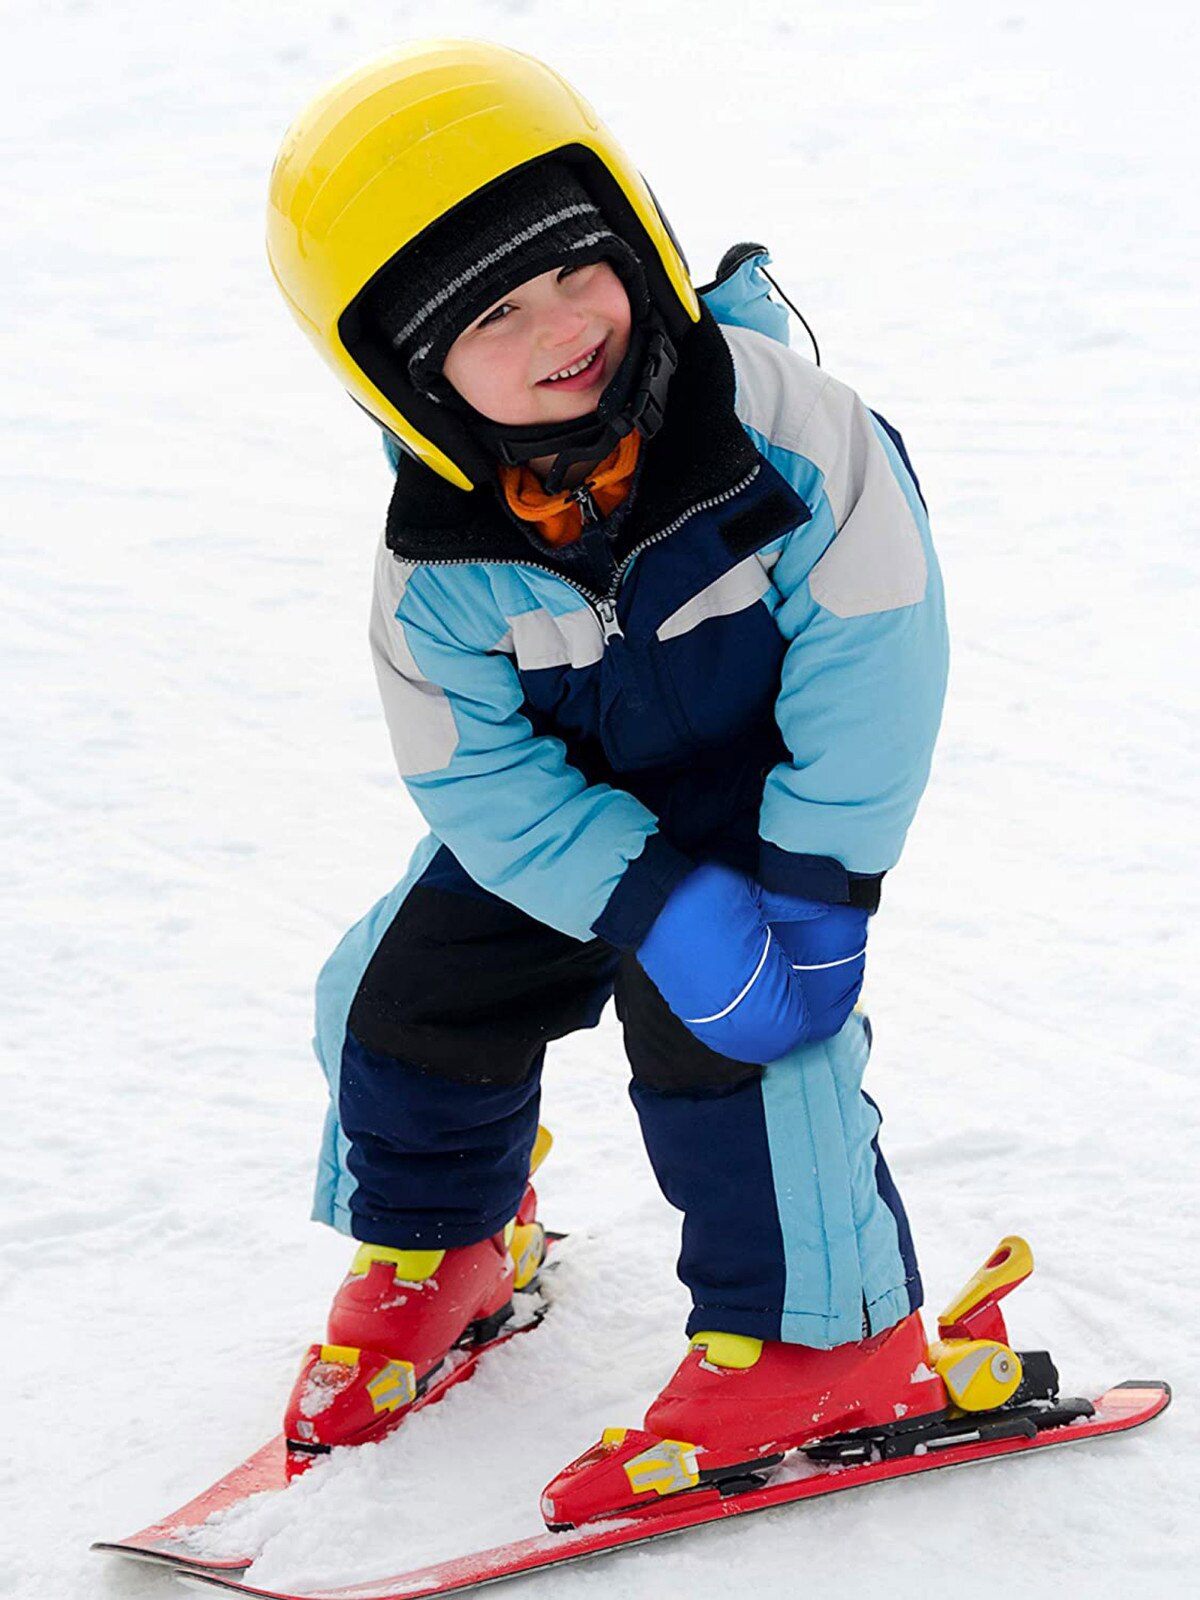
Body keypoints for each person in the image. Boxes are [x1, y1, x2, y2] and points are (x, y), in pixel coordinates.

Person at [266, 38, 949, 1502]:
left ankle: (828, 1338)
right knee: (393, 998)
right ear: (406, 376)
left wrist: (818, 882)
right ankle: (443, 1239)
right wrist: (639, 895)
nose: (563, 326)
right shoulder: (435, 562)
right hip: (573, 828)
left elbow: (878, 645)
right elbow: (471, 775)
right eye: (494, 316)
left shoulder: (785, 436)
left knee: (750, 1041)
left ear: (635, 236)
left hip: (767, 805)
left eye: (582, 267)